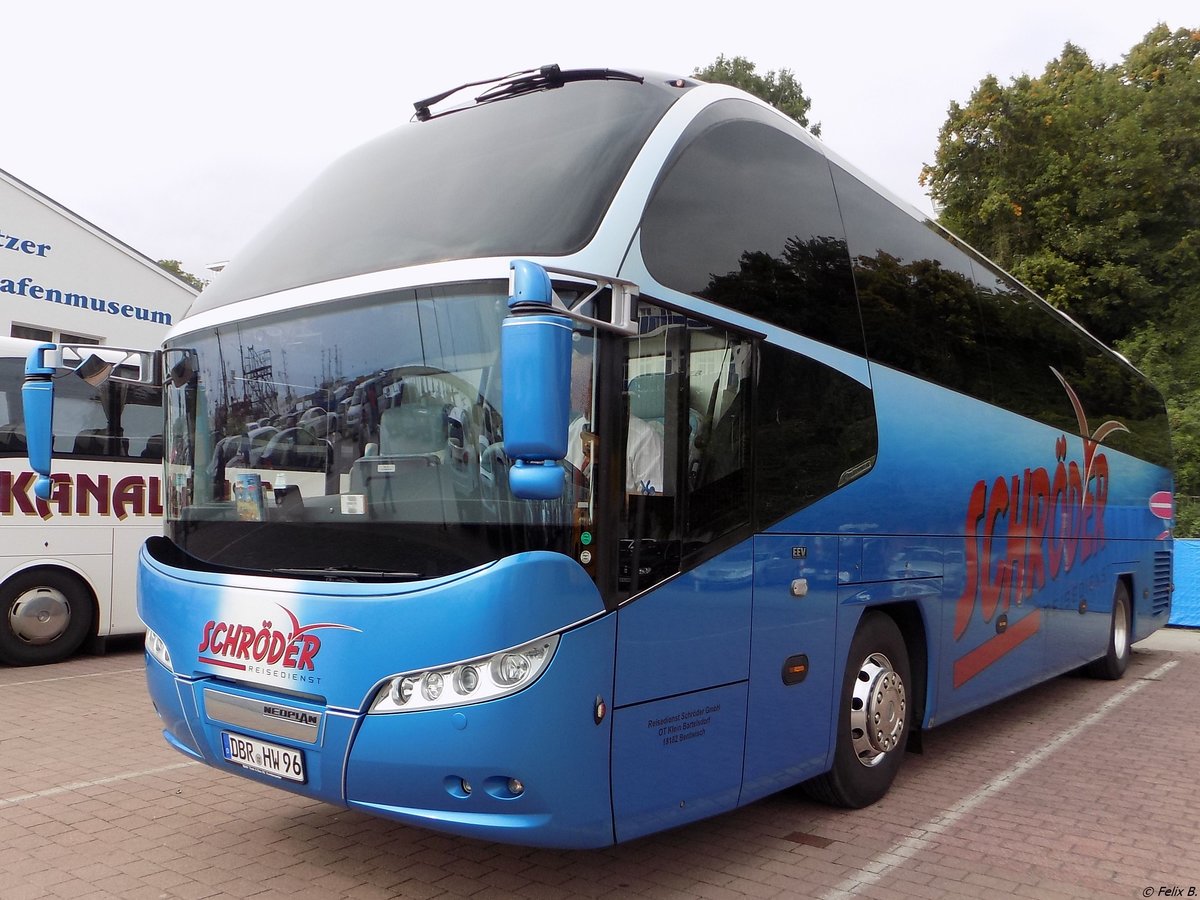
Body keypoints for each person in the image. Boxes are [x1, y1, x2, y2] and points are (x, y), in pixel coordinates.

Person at [564, 343, 664, 495]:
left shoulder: (644, 438)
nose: (571, 387)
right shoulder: (574, 429)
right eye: (571, 380)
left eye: (578, 381)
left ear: (598, 386)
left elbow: (653, 499)